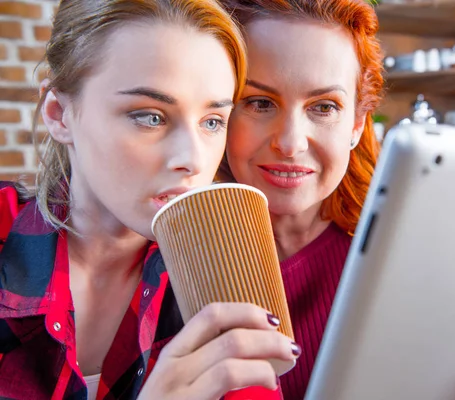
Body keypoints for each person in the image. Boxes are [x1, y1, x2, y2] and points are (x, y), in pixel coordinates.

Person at [218, 0, 455, 399]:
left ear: (357, 123)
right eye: (259, 102)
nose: (291, 143)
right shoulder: (169, 257)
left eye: (324, 107)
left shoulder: (431, 257)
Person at [0, 1, 300, 399]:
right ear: (59, 113)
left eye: (212, 122)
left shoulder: (223, 280)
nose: (192, 160)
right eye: (150, 116)